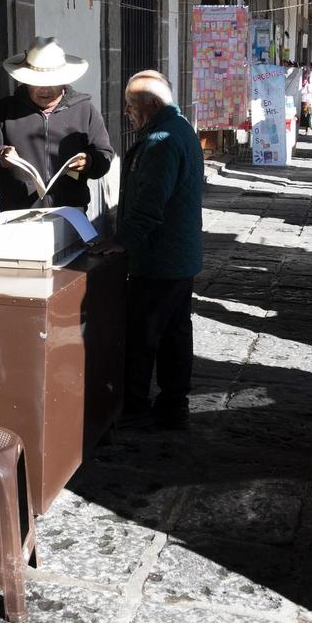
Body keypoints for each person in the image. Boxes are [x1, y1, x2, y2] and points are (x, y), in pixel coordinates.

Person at [116, 70, 203, 431]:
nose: (126, 113)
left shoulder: (163, 140)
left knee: (143, 335)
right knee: (174, 333)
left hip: (160, 259)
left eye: (130, 106)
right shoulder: (179, 126)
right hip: (179, 256)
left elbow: (149, 206)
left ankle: (136, 407)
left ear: (151, 105)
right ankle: (173, 404)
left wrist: (122, 246)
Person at [0, 37, 114, 212]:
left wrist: (89, 161)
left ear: (64, 80)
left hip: (70, 212)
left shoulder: (85, 110)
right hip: (17, 214)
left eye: (52, 82)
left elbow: (104, 156)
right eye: (38, 83)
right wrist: (0, 157)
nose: (45, 89)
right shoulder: (4, 110)